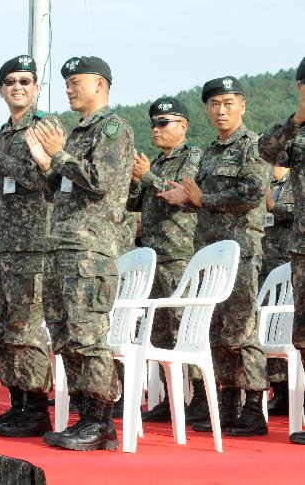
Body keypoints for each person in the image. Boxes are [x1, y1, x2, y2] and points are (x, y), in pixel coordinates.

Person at [26, 55, 134, 450]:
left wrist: (58, 156)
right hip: (61, 246)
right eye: (67, 82)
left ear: (101, 85)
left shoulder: (112, 128)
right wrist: (46, 163)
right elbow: (61, 188)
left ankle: (102, 421)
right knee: (65, 333)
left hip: (89, 249)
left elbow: (99, 180)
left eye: (77, 81)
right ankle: (83, 416)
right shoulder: (74, 134)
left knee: (87, 335)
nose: (70, 88)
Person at [159, 75, 271, 436]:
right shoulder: (209, 152)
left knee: (243, 329)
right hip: (208, 251)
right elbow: (201, 201)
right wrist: (187, 201)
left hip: (240, 251)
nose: (221, 111)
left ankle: (254, 407)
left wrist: (200, 200)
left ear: (242, 106)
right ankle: (227, 404)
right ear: (206, 109)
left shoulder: (254, 146)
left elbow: (251, 194)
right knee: (218, 330)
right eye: (214, 104)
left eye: (228, 103)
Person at [0, 54, 58, 437]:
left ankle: (37, 408)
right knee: (1, 328)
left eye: (25, 81)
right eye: (10, 82)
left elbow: (44, 180)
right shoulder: (0, 134)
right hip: (2, 244)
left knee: (25, 327)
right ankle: (18, 403)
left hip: (32, 244)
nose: (17, 87)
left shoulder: (46, 128)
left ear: (36, 88)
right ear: (1, 90)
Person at [126, 96, 205, 423]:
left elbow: (177, 195)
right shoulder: (155, 163)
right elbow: (136, 204)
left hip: (180, 255)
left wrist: (145, 177)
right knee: (160, 333)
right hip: (153, 258)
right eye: (153, 124)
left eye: (163, 123)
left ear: (182, 126)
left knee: (186, 330)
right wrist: (134, 180)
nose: (155, 129)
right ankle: (173, 400)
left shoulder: (193, 158)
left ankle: (199, 399)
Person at [257, 57, 305, 444]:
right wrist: (296, 119)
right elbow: (266, 152)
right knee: (304, 334)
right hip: (302, 248)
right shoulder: (299, 132)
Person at [262, 165, 295, 415]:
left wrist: (275, 207)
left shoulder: (296, 182)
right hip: (263, 265)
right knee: (268, 327)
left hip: (289, 264)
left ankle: (290, 390)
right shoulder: (265, 183)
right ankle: (278, 390)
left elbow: (298, 212)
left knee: (287, 329)